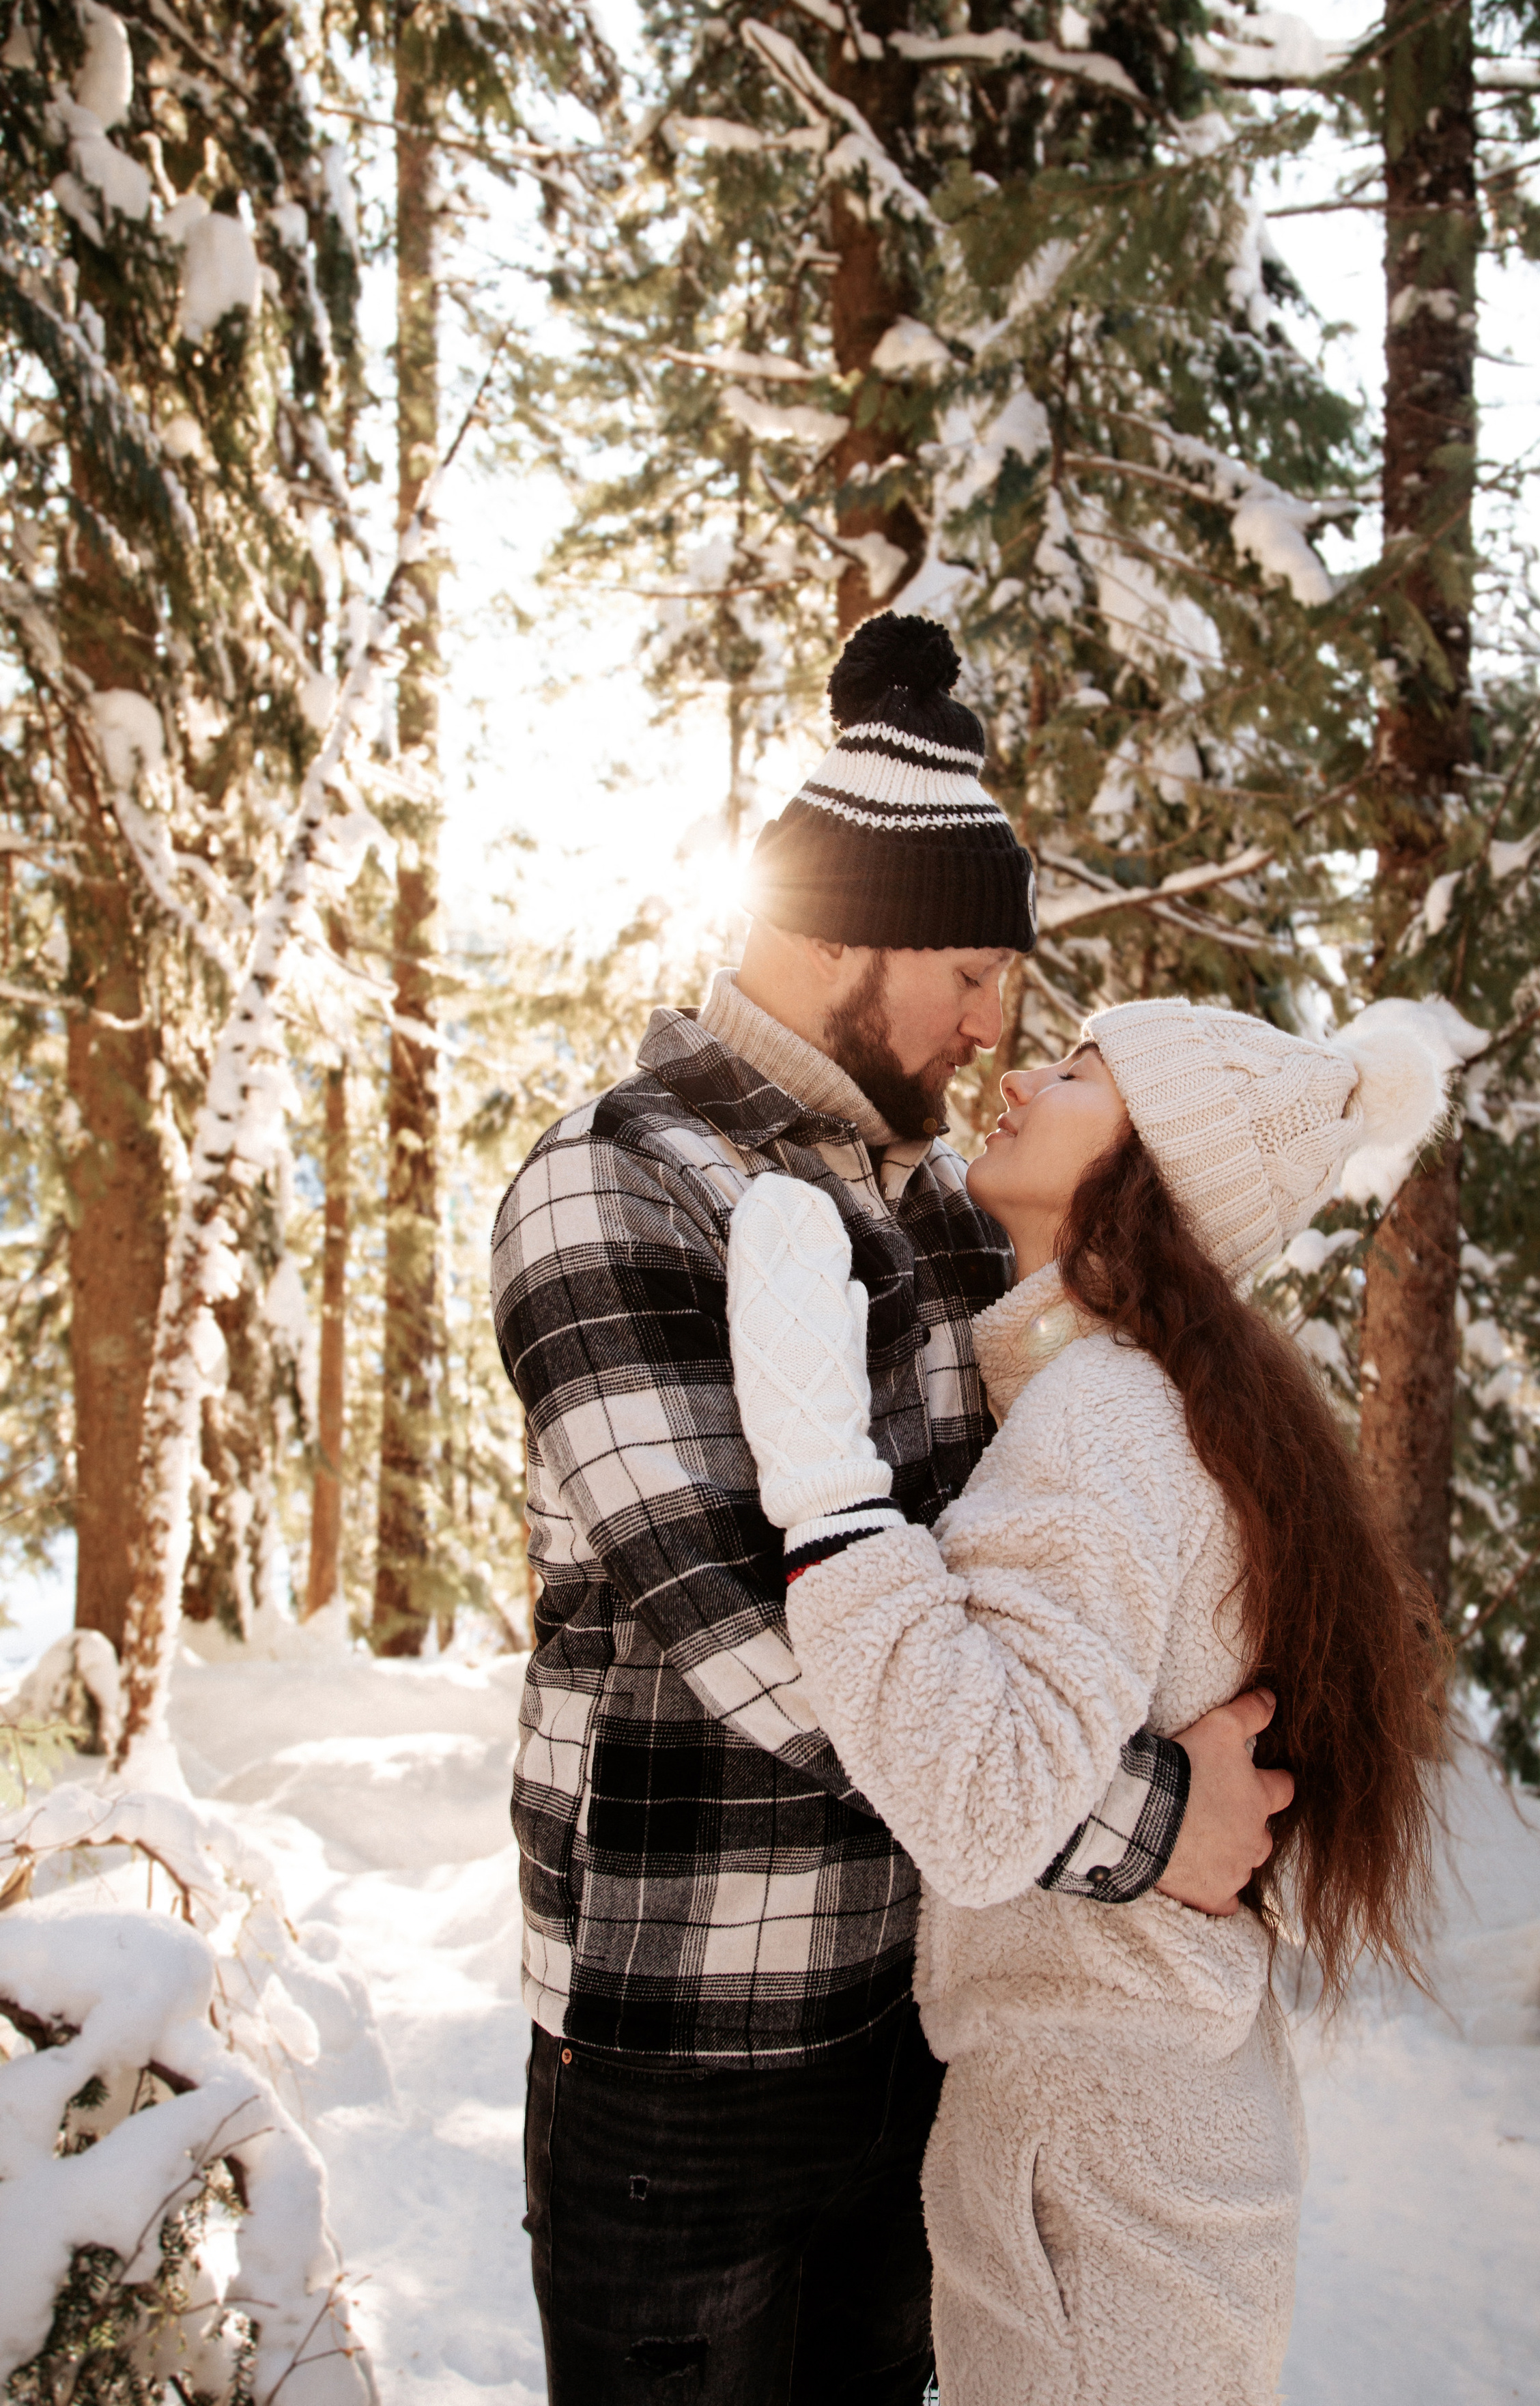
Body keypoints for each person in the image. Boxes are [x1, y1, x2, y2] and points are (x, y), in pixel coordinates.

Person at [491, 614, 1290, 2406]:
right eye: (974, 971)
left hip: (918, 2027)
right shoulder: (616, 1186)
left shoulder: (936, 1212)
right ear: (839, 933)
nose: (999, 1023)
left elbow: (1053, 1555)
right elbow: (761, 1647)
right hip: (686, 2056)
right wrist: (1148, 1824)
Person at [725, 998, 1452, 2406]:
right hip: (1138, 2126)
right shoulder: (1148, 1397)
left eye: (1073, 1072)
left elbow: (989, 1800)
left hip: (1095, 2154)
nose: (1016, 1078)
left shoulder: (1107, 1412)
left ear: (1150, 1162)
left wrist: (824, 1486)